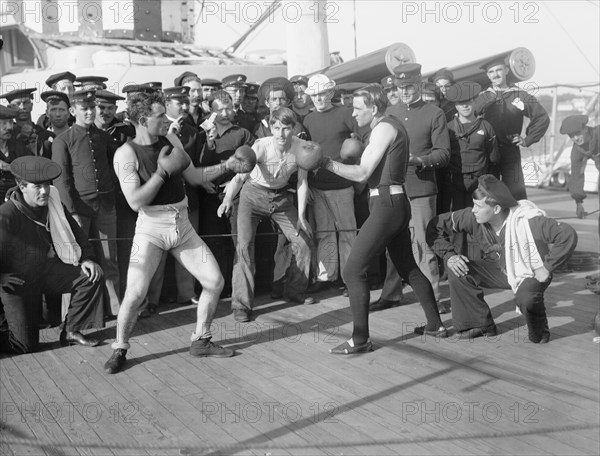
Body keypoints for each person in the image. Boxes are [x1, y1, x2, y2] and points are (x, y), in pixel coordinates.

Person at [104, 91, 238, 374]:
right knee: (136, 293)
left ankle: (201, 339)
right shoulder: (125, 154)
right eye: (159, 116)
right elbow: (135, 201)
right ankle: (119, 347)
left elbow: (194, 176)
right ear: (142, 120)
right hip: (151, 228)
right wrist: (161, 174)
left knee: (214, 281)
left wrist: (228, 165)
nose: (167, 120)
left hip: (182, 223)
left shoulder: (171, 139)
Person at [318, 84, 446, 354]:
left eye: (357, 108)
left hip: (387, 203)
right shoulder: (390, 125)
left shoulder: (384, 127)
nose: (353, 114)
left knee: (352, 270)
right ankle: (436, 325)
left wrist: (326, 163)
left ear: (373, 108)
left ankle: (360, 339)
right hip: (392, 202)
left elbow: (363, 173)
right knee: (408, 268)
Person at [426, 174, 577, 343]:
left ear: (496, 209)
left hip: (532, 272)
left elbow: (567, 234)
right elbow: (435, 226)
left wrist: (547, 267)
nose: (473, 209)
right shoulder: (473, 217)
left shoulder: (528, 221)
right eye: (474, 205)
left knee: (526, 299)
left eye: (478, 206)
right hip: (501, 269)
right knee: (458, 268)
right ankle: (480, 324)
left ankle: (540, 332)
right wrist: (449, 256)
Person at [217, 107, 314, 323]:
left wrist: (301, 216)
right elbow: (240, 177)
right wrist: (226, 200)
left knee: (304, 242)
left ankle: (294, 291)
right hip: (252, 196)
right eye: (276, 128)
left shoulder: (301, 148)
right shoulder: (261, 146)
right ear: (271, 127)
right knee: (244, 247)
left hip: (280, 198)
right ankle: (241, 305)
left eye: (286, 128)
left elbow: (302, 182)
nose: (281, 134)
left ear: (294, 128)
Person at [0, 156, 105, 353]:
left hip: (45, 271)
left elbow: (77, 233)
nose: (44, 191)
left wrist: (87, 258)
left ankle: (71, 331)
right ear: (22, 186)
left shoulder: (53, 200)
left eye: (47, 185)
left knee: (90, 277)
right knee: (24, 346)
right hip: (18, 282)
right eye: (37, 186)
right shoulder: (7, 214)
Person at [373, 63, 450, 311]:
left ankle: (433, 304)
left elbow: (444, 154)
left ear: (419, 85)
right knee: (392, 246)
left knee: (423, 246)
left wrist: (419, 160)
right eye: (399, 87)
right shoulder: (390, 112)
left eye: (409, 87)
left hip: (421, 189)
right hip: (394, 189)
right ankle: (391, 294)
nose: (404, 91)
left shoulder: (434, 113)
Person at [51, 89, 121, 316]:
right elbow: (62, 180)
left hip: (106, 205)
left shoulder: (103, 136)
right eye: (85, 108)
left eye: (93, 107)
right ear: (73, 111)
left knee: (110, 259)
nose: (91, 112)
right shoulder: (63, 140)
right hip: (79, 210)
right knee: (75, 262)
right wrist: (72, 212)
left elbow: (117, 164)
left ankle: (116, 309)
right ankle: (70, 315)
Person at [303, 74, 359, 296]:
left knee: (347, 232)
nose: (318, 98)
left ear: (331, 93)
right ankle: (326, 276)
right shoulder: (307, 120)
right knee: (324, 232)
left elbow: (362, 137)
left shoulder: (346, 113)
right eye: (314, 94)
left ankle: (350, 278)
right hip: (317, 185)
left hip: (342, 184)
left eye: (322, 93)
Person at [474, 57, 549, 200]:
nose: (495, 75)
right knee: (488, 192)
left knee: (516, 191)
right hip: (488, 152)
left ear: (506, 70)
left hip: (510, 151)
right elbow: (468, 120)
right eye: (491, 72)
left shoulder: (520, 95)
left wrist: (528, 139)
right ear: (488, 75)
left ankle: (518, 220)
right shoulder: (482, 97)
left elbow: (542, 117)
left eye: (498, 70)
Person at [440, 81, 498, 212]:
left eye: (468, 101)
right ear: (455, 105)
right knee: (457, 219)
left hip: (479, 182)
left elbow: (493, 158)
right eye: (461, 103)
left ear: (474, 102)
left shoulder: (486, 126)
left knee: (478, 219)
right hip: (454, 181)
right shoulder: (448, 128)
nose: (465, 106)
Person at [559, 115, 599, 220]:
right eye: (571, 136)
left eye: (577, 133)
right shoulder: (577, 151)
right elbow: (576, 176)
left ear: (585, 129)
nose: (575, 138)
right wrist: (578, 203)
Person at [0, 88, 54, 158]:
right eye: (17, 104)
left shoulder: (47, 135)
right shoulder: (7, 137)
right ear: (9, 108)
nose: (22, 107)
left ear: (31, 105)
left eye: (25, 103)